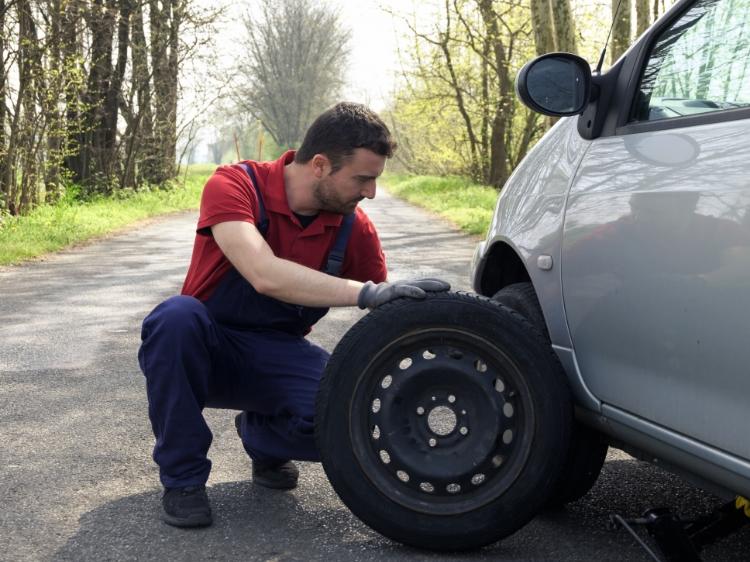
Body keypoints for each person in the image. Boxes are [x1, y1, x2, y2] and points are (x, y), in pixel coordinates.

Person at [138, 102, 449, 528]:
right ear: (320, 165)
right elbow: (263, 274)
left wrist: (454, 334)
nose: (371, 192)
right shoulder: (235, 185)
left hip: (277, 353)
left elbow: (385, 316)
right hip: (203, 348)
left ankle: (261, 436)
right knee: (174, 317)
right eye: (363, 178)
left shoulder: (353, 229)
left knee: (348, 416)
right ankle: (183, 480)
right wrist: (367, 293)